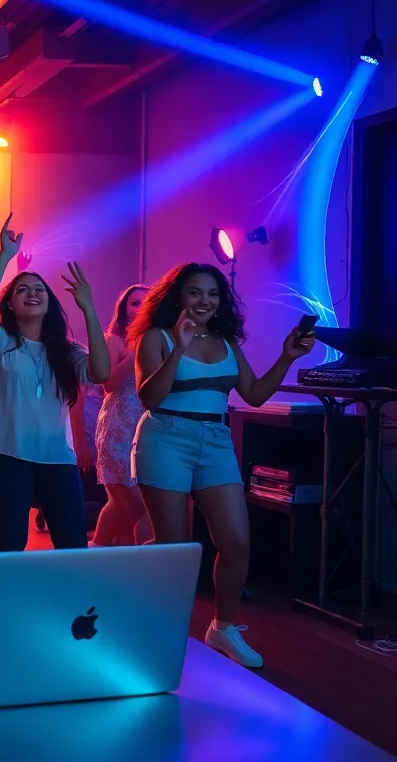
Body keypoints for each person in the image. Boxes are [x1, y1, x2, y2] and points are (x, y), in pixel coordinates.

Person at [130, 263, 314, 668]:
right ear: (178, 297)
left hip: (215, 441)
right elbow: (150, 398)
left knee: (236, 541)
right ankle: (159, 626)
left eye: (212, 294)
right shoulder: (155, 338)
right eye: (195, 292)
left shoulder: (227, 343)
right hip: (165, 438)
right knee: (175, 548)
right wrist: (178, 347)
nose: (204, 301)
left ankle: (222, 628)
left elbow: (254, 395)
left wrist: (286, 357)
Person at [0, 215, 110, 553]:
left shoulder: (67, 349)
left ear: (50, 303)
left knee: (73, 545)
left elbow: (102, 373)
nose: (32, 293)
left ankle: (70, 606)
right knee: (10, 543)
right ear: (10, 304)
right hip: (6, 454)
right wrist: (4, 256)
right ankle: (1, 605)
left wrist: (89, 309)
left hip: (57, 458)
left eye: (39, 290)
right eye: (22, 290)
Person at [92, 284, 153, 547]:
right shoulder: (114, 340)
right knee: (132, 502)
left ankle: (101, 550)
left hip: (145, 425)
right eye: (134, 302)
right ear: (124, 309)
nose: (139, 307)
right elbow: (108, 384)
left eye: (145, 302)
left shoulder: (159, 340)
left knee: (119, 503)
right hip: (118, 425)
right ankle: (120, 556)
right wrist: (135, 353)